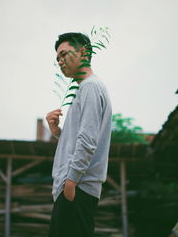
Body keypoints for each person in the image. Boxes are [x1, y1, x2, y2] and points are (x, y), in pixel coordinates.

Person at [46, 32, 112, 237]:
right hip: (73, 189)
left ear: (83, 52)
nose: (59, 61)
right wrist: (58, 133)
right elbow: (82, 137)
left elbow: (88, 140)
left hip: (77, 189)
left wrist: (71, 182)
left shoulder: (91, 87)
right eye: (57, 58)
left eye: (64, 54)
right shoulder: (84, 88)